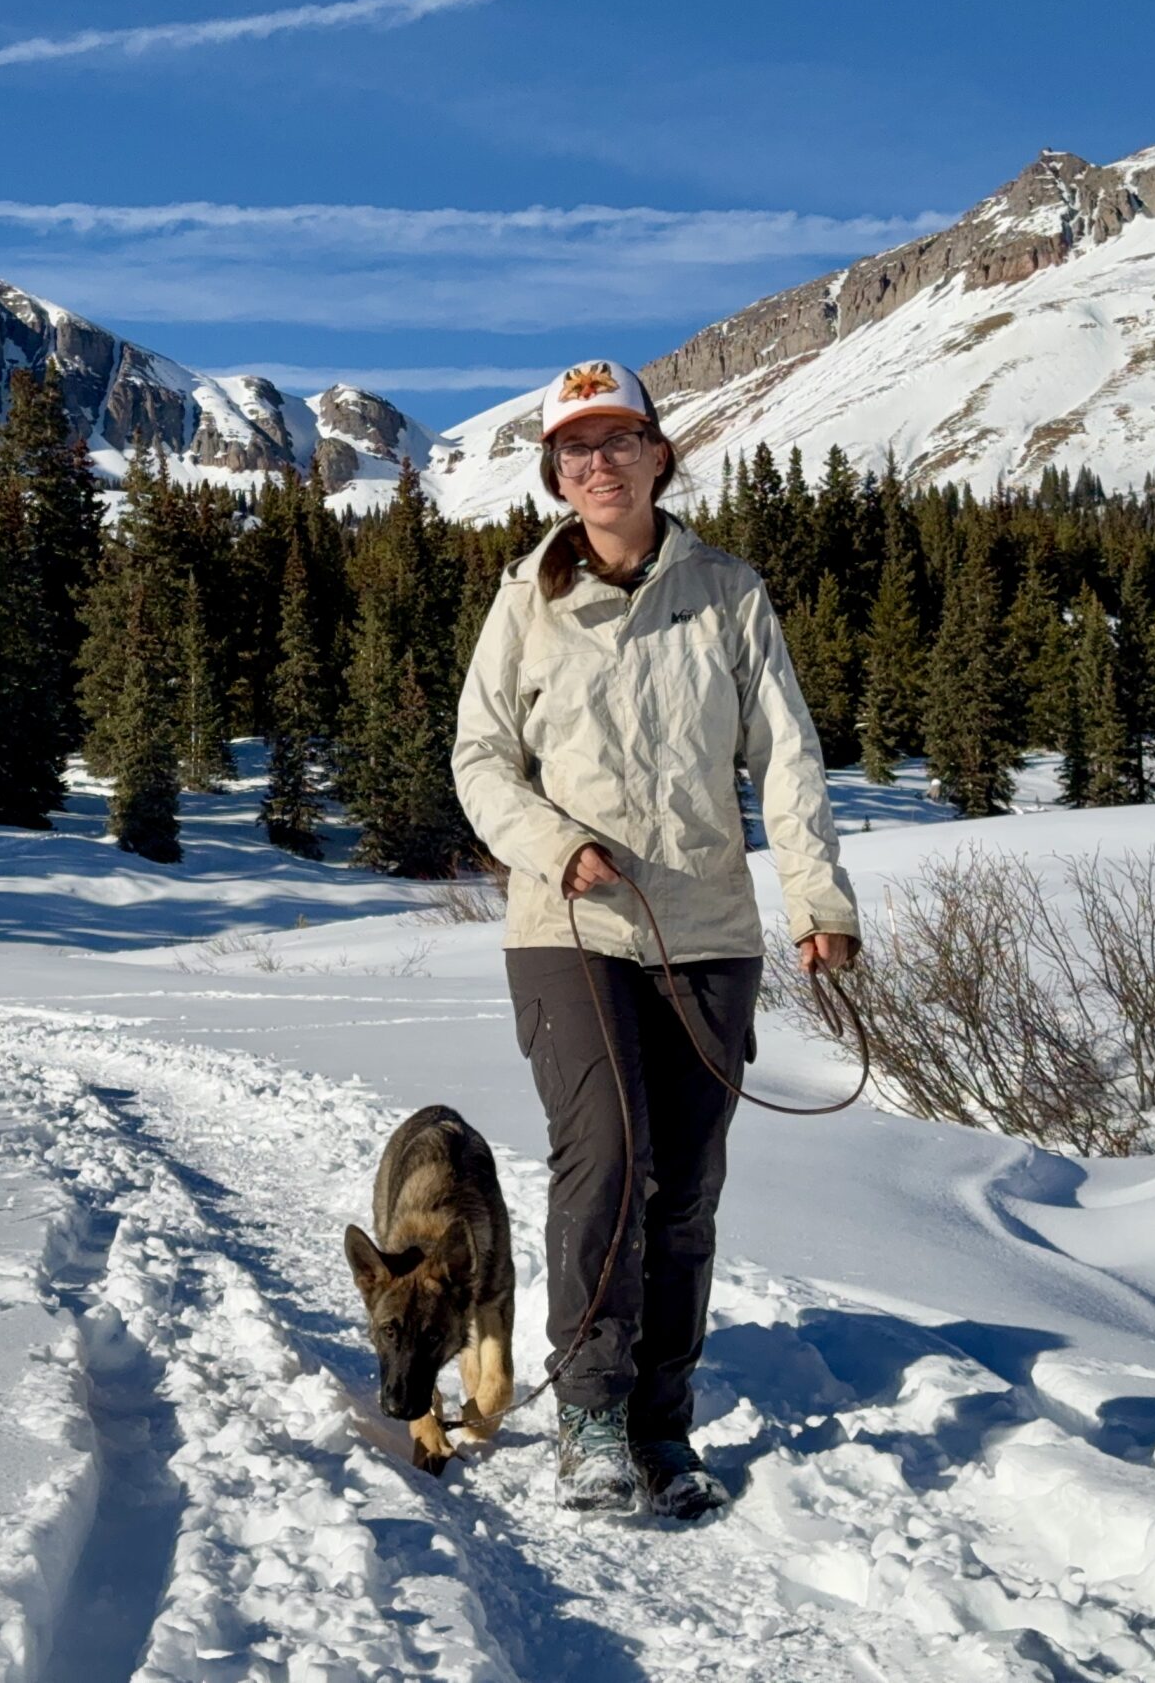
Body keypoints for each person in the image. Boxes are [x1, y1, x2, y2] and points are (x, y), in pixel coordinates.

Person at [452, 358, 860, 1517]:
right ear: (553, 473)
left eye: (618, 441)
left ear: (658, 453)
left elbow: (784, 757)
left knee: (683, 1187)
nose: (598, 464)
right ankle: (586, 1412)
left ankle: (658, 1426)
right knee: (608, 1160)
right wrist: (548, 842)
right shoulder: (522, 602)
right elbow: (479, 758)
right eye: (574, 449)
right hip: (567, 923)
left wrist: (817, 905)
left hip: (707, 929)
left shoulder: (727, 590)